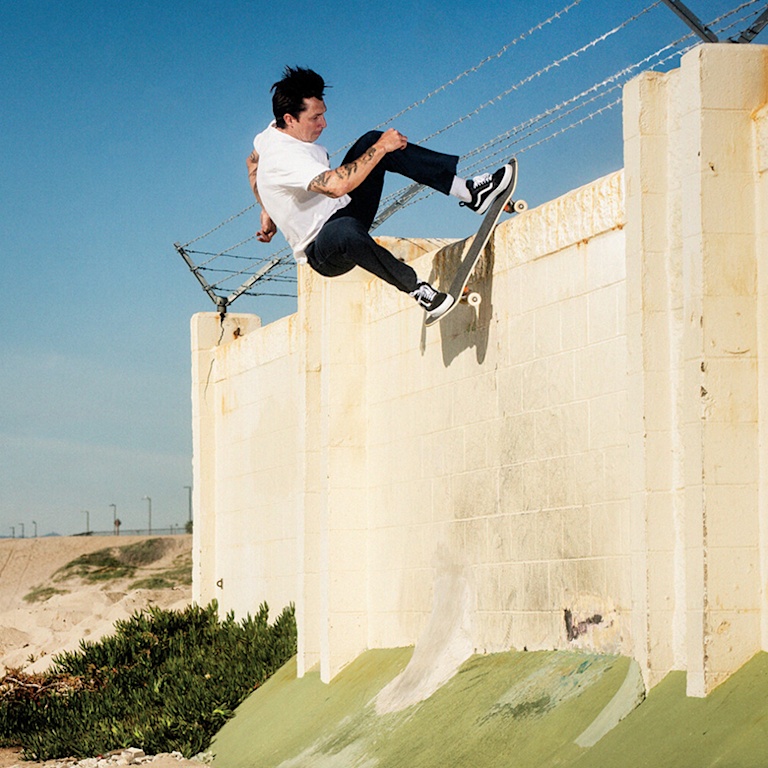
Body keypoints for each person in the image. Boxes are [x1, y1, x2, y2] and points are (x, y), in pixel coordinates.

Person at [247, 66, 514, 321]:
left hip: (345, 208)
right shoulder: (286, 157)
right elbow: (336, 185)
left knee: (371, 142)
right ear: (290, 119)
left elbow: (253, 162)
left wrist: (267, 205)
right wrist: (384, 148)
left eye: (323, 114)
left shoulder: (271, 133)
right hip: (324, 249)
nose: (324, 124)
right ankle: (419, 290)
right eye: (315, 118)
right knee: (346, 226)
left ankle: (469, 193)